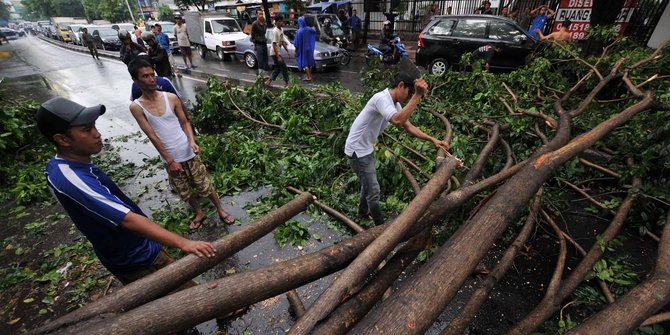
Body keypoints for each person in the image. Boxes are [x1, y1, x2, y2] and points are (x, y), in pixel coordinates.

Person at [36, 96, 216, 284]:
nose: (97, 134)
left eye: (94, 126)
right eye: (87, 130)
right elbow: (127, 219)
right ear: (62, 139)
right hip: (137, 259)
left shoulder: (64, 165)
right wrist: (184, 243)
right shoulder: (71, 179)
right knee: (189, 299)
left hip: (138, 247)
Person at [127, 59, 235, 229]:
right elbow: (152, 135)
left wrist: (192, 141)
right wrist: (170, 160)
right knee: (183, 190)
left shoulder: (171, 98)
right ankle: (199, 212)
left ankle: (220, 209)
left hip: (187, 151)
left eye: (152, 75)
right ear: (136, 81)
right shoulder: (136, 107)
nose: (151, 79)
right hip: (170, 158)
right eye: (145, 76)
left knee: (204, 184)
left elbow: (185, 122)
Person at [344, 74, 449, 226]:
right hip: (357, 150)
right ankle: (381, 227)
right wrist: (418, 95)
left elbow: (408, 126)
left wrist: (432, 140)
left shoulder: (395, 104)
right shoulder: (381, 98)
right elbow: (397, 120)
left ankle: (362, 212)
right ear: (401, 86)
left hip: (366, 148)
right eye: (408, 92)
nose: (407, 98)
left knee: (366, 183)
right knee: (373, 190)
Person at [266, 14, 290, 87]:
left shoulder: (281, 29)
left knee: (278, 68)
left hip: (277, 52)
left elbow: (282, 41)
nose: (281, 23)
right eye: (279, 21)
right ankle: (287, 83)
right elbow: (274, 44)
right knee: (284, 68)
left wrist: (287, 51)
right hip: (274, 52)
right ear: (276, 22)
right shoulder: (275, 31)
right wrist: (278, 56)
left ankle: (268, 81)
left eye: (282, 21)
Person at [294, 16, 316, 82]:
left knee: (305, 63)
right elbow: (314, 31)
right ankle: (309, 76)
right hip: (309, 48)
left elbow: (296, 43)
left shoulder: (299, 31)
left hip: (303, 49)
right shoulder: (309, 29)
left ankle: (308, 77)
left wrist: (295, 51)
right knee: (309, 62)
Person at [250, 9, 269, 78]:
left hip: (264, 43)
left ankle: (266, 74)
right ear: (257, 15)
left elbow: (265, 33)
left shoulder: (264, 23)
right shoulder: (255, 23)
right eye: (259, 14)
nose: (261, 15)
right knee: (260, 60)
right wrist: (254, 45)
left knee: (266, 59)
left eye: (262, 14)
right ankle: (261, 76)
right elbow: (252, 35)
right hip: (258, 44)